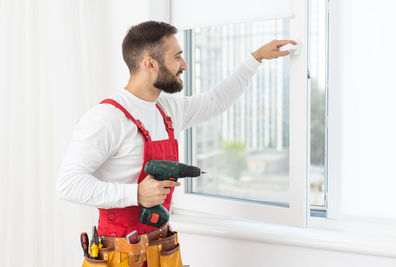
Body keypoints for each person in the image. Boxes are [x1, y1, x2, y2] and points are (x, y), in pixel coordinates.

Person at [57, 20, 295, 266]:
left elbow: (215, 101)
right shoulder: (107, 118)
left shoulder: (166, 109)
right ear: (149, 63)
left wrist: (255, 59)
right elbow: (67, 184)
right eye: (177, 57)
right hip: (120, 255)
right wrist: (136, 193)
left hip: (162, 248)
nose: (184, 65)